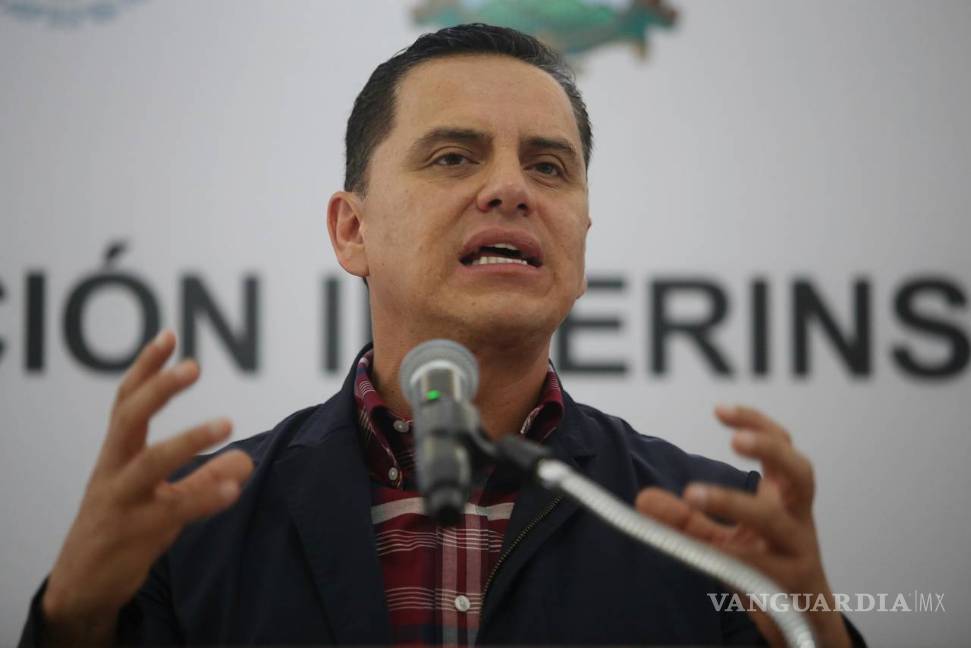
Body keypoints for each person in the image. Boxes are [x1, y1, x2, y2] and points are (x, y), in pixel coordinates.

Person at [22, 24, 863, 647]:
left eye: (548, 167)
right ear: (352, 230)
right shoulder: (192, 524)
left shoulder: (713, 527)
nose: (510, 189)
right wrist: (73, 621)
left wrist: (814, 632)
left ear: (581, 233)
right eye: (454, 157)